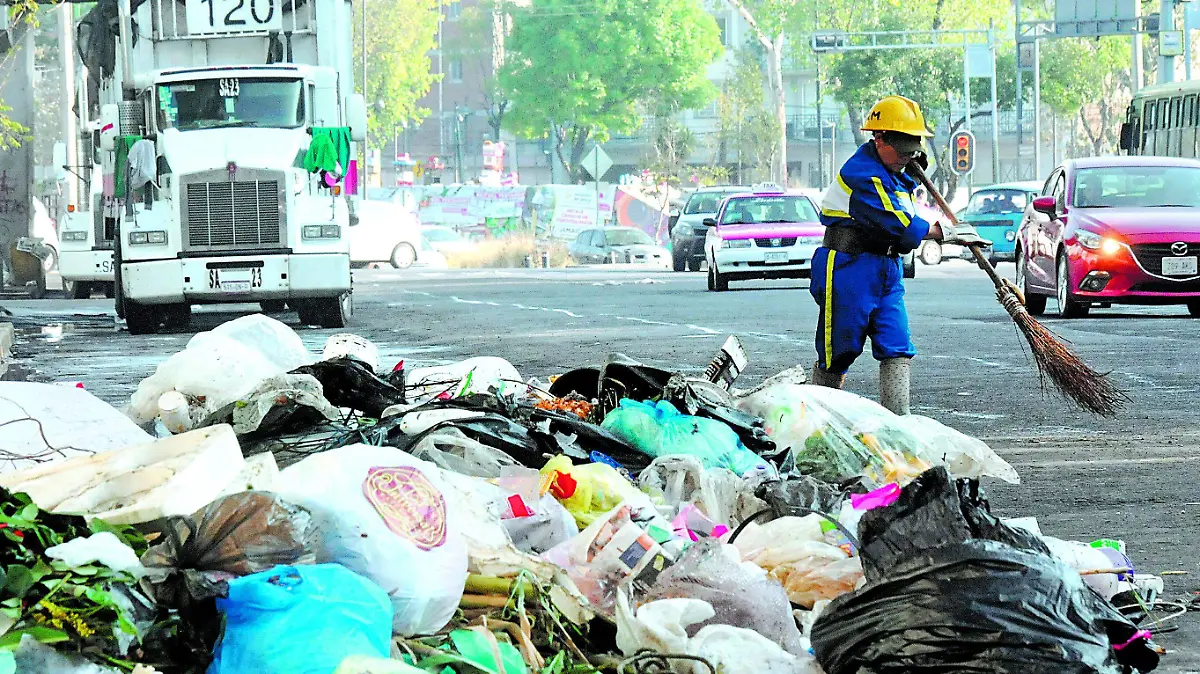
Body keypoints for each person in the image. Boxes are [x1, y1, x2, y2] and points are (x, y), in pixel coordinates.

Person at [811, 95, 989, 415]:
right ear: (879, 140)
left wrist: (912, 166)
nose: (907, 156)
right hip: (848, 266)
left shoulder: (894, 168)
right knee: (839, 350)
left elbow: (903, 195)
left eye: (914, 148)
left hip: (887, 267)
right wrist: (948, 233)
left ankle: (899, 423)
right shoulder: (863, 174)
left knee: (896, 345)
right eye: (902, 149)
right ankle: (815, 420)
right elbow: (901, 224)